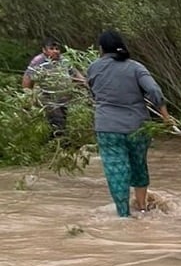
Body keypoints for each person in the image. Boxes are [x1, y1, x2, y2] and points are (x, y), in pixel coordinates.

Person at [87, 30, 170, 218]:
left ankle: (123, 216)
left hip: (108, 128)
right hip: (138, 127)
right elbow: (154, 91)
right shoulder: (136, 67)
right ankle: (141, 208)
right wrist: (166, 117)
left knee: (116, 171)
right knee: (139, 165)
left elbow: (92, 92)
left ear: (101, 49)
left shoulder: (93, 68)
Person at [22, 37, 85, 138]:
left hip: (64, 99)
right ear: (44, 50)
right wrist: (28, 97)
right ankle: (60, 144)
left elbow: (76, 75)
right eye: (51, 48)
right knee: (57, 121)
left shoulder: (64, 60)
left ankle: (55, 143)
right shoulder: (38, 61)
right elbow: (27, 79)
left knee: (63, 122)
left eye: (57, 49)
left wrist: (87, 86)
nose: (55, 51)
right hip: (48, 99)